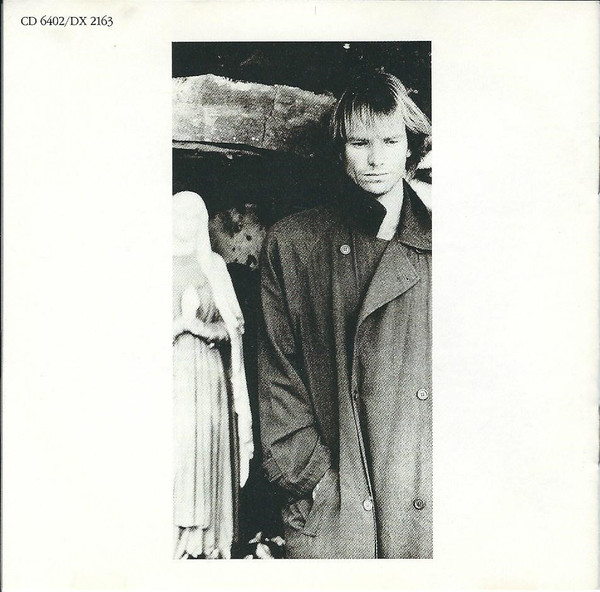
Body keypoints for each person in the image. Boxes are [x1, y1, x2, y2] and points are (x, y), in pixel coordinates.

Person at [258, 71, 432, 558]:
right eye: (360, 143)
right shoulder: (294, 245)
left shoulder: (446, 243)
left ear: (410, 147)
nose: (376, 158)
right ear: (341, 150)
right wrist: (319, 483)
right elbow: (278, 381)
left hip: (424, 505)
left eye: (390, 141)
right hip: (339, 513)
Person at [172, 191, 253, 559]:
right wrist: (177, 326)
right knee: (176, 452)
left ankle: (204, 542)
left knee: (205, 451)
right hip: (170, 378)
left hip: (208, 378)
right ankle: (171, 538)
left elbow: (233, 327)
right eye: (180, 215)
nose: (186, 224)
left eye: (194, 217)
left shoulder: (213, 265)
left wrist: (203, 328)